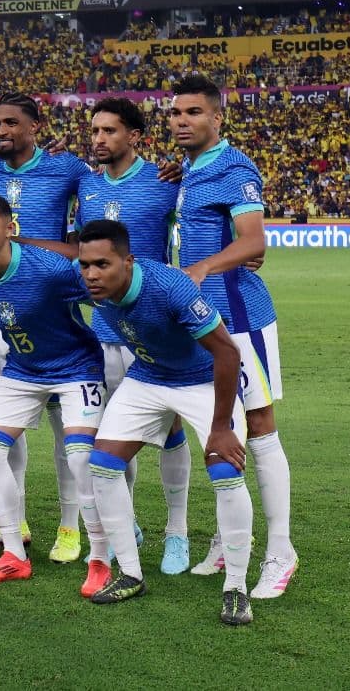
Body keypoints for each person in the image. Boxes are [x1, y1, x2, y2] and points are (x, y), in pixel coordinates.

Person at [77, 220, 253, 624]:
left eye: (102, 264)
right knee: (102, 466)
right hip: (149, 376)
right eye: (86, 265)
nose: (91, 274)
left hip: (202, 380)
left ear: (128, 261)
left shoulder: (170, 287)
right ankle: (131, 574)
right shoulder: (89, 281)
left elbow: (227, 353)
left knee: (226, 469)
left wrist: (221, 427)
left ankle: (237, 588)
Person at [170, 75, 297, 600]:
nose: (181, 121)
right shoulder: (189, 168)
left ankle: (281, 552)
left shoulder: (234, 167)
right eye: (175, 113)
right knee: (219, 426)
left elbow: (254, 241)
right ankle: (228, 538)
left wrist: (200, 267)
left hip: (240, 318)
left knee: (260, 427)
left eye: (193, 113)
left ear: (217, 118)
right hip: (202, 323)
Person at [0, 194, 111, 595]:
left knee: (79, 458)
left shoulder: (53, 270)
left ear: (10, 229)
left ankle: (101, 558)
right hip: (23, 369)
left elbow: (106, 290)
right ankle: (13, 555)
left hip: (76, 368)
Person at [72, 97, 192, 575]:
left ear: (135, 137)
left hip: (158, 331)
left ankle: (177, 532)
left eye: (109, 131)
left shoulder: (164, 185)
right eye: (95, 131)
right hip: (103, 331)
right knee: (115, 434)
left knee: (170, 433)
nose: (99, 139)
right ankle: (132, 523)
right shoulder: (86, 184)